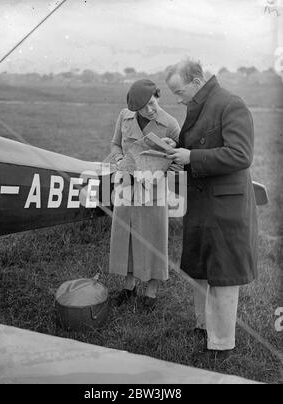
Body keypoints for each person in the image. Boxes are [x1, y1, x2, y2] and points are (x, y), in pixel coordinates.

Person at [165, 59, 258, 358]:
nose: (178, 99)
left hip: (224, 206)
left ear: (196, 81)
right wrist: (175, 149)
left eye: (179, 92)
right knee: (201, 269)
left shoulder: (231, 103)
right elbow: (193, 145)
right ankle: (203, 326)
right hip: (203, 202)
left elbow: (240, 155)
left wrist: (192, 157)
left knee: (222, 275)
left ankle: (221, 345)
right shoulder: (200, 105)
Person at [109, 79, 180, 311]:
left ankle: (151, 293)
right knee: (126, 236)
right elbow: (115, 145)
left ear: (157, 96)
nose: (150, 109)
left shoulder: (170, 124)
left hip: (154, 191)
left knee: (153, 238)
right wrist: (120, 162)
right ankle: (128, 288)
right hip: (126, 186)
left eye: (152, 103)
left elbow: (178, 163)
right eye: (143, 107)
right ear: (133, 109)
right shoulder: (124, 116)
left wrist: (157, 175)